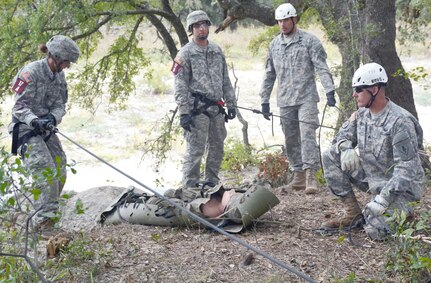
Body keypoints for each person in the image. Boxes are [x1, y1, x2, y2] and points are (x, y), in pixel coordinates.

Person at [320, 63, 424, 240]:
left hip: (400, 190)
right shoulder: (361, 115)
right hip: (372, 179)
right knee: (330, 155)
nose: (354, 94)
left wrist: (383, 199)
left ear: (375, 89)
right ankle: (353, 213)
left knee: (376, 232)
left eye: (359, 90)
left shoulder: (400, 122)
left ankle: (406, 215)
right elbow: (339, 138)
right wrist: (345, 148)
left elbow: (406, 169)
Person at [259, 3, 336, 195]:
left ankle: (311, 175)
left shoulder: (310, 41)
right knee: (291, 138)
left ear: (294, 20)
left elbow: (321, 67)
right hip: (285, 100)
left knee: (307, 134)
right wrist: (264, 100)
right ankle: (299, 176)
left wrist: (330, 90)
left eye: (286, 20)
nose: (283, 24)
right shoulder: (274, 45)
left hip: (306, 98)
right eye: (279, 21)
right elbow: (269, 74)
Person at [8, 35, 80, 231]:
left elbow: (60, 105)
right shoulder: (30, 72)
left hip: (46, 129)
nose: (67, 66)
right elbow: (19, 107)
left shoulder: (59, 76)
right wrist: (34, 120)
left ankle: (45, 216)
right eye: (66, 62)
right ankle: (44, 226)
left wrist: (52, 118)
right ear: (56, 57)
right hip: (25, 129)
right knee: (46, 174)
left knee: (60, 169)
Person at [172, 10, 236, 191]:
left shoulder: (216, 51)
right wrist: (184, 112)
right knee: (195, 151)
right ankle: (190, 188)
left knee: (217, 148)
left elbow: (225, 79)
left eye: (204, 25)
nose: (202, 28)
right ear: (191, 29)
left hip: (216, 109)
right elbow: (180, 86)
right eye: (197, 26)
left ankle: (211, 185)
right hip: (196, 110)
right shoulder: (185, 54)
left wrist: (231, 104)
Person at [100, 181, 280, 233]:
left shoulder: (211, 208)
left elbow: (210, 209)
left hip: (208, 210)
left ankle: (229, 201)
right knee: (169, 197)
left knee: (168, 202)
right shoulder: (213, 204)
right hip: (208, 208)